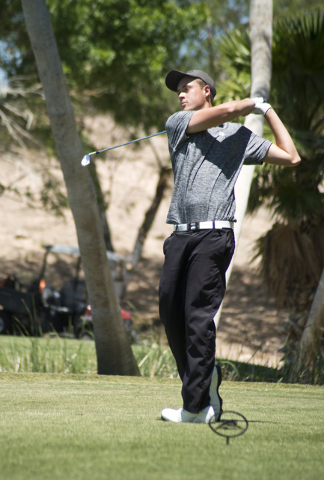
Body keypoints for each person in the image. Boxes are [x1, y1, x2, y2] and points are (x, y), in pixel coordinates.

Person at [159, 69, 300, 424]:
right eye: (177, 90)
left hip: (214, 236)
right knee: (170, 315)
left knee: (197, 316)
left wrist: (267, 111)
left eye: (186, 88)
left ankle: (194, 409)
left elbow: (291, 156)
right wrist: (249, 103)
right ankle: (203, 383)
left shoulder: (238, 137)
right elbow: (222, 113)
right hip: (179, 236)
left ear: (206, 90)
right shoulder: (179, 123)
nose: (180, 95)